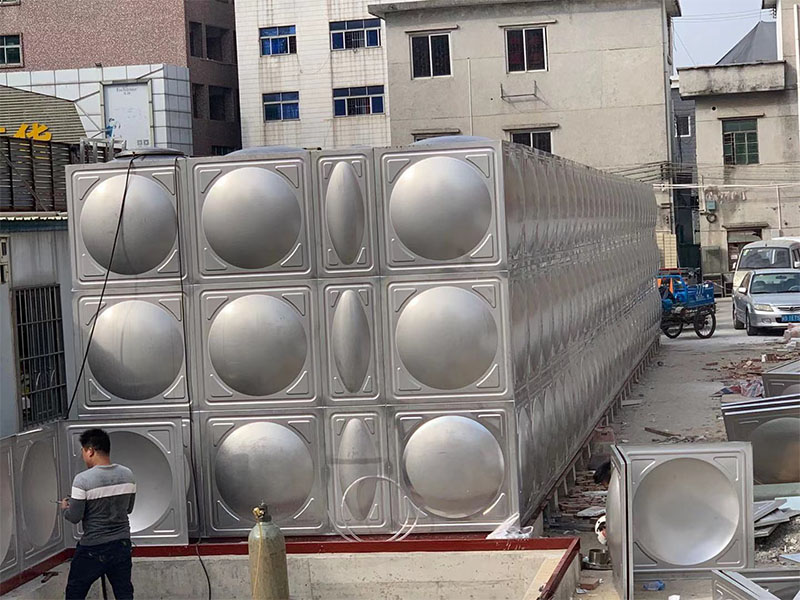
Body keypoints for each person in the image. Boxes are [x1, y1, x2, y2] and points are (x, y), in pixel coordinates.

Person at [61, 428, 136, 600]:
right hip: (121, 544)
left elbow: (75, 517)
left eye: (83, 451)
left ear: (90, 451)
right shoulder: (128, 474)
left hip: (93, 547)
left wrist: (66, 508)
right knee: (124, 593)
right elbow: (128, 509)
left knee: (75, 592)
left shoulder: (82, 480)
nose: (83, 456)